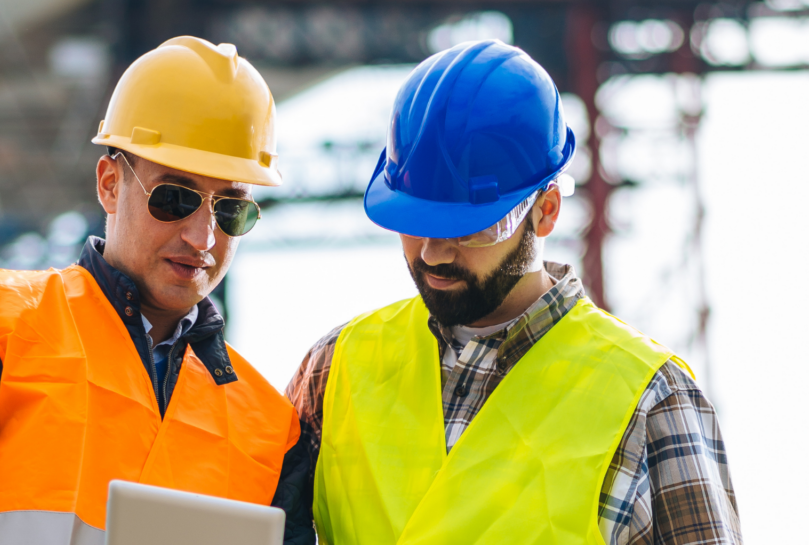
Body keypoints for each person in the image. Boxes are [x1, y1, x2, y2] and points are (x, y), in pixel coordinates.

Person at [0, 36, 313, 545]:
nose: (202, 237)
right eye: (174, 198)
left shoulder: (272, 433)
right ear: (110, 184)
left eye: (230, 210)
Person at [286, 40, 741, 544]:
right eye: (415, 223)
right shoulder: (334, 369)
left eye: (471, 228)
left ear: (545, 211)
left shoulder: (650, 401)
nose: (434, 254)